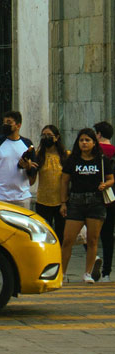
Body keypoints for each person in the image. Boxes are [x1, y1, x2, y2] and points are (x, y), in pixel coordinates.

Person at [60, 128, 115, 282]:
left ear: (93, 143)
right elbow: (64, 181)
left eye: (87, 140)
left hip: (96, 202)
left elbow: (111, 178)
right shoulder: (72, 160)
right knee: (68, 239)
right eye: (81, 140)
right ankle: (62, 273)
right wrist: (63, 202)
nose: (84, 143)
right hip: (76, 201)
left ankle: (88, 273)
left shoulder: (102, 160)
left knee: (92, 239)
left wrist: (106, 184)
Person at [0, 110, 35, 209]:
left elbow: (32, 178)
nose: (5, 125)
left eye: (9, 122)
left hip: (21, 198)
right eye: (4, 122)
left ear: (18, 125)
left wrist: (28, 167)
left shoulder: (27, 144)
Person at [30, 125, 68, 243]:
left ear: (56, 138)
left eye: (49, 135)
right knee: (44, 235)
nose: (46, 138)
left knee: (61, 235)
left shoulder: (65, 155)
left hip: (60, 202)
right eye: (43, 135)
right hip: (43, 201)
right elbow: (31, 181)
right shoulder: (38, 155)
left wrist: (64, 202)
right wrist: (28, 168)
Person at [95, 121, 115, 281]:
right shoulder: (114, 151)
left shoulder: (93, 152)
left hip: (94, 196)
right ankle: (107, 273)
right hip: (112, 198)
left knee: (85, 233)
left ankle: (93, 258)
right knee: (108, 236)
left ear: (99, 134)